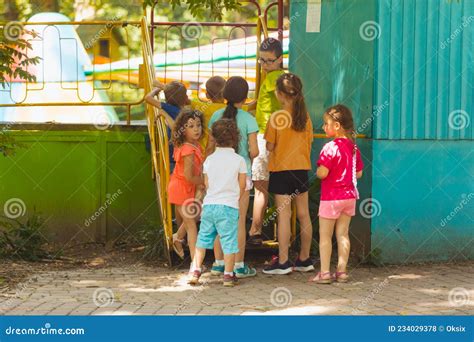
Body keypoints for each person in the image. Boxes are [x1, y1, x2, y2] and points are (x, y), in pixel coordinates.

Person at [206, 76, 259, 278]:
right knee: (238, 221)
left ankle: (219, 263)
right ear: (245, 98)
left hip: (218, 173)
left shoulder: (216, 116)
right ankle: (238, 265)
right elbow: (254, 151)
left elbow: (210, 147)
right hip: (241, 174)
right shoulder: (249, 119)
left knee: (219, 218)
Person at [262, 73, 314, 275]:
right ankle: (304, 259)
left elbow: (270, 145)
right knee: (303, 214)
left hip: (281, 170)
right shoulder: (305, 117)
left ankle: (283, 262)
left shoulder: (277, 117)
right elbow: (308, 143)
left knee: (284, 215)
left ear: (280, 94)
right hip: (301, 169)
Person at [189, 119, 247, 287]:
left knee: (202, 240)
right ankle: (228, 275)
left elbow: (207, 184)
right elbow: (242, 185)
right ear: (236, 138)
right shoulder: (239, 160)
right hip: (228, 206)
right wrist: (235, 195)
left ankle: (195, 271)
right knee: (229, 240)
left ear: (213, 137)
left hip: (209, 206)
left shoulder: (209, 160)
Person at [311, 104, 364, 284]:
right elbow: (358, 174)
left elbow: (323, 173)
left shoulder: (329, 147)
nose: (324, 127)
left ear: (337, 126)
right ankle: (342, 272)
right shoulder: (353, 147)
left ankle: (324, 273)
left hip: (331, 197)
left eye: (326, 123)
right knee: (343, 234)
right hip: (349, 197)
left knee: (325, 235)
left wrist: (318, 171)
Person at [248, 38, 286, 246]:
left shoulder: (277, 78)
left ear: (280, 59)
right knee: (274, 189)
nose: (264, 65)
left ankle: (255, 230)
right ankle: (279, 232)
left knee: (261, 189)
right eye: (261, 61)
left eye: (269, 61)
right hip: (270, 136)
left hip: (266, 136)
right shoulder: (273, 77)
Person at [167, 109, 205, 264]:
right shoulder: (188, 149)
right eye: (190, 126)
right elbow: (189, 176)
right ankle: (196, 263)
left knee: (194, 218)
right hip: (182, 187)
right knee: (191, 225)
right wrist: (203, 182)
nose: (196, 129)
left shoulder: (193, 145)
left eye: (198, 125)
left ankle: (177, 238)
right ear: (183, 130)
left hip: (188, 186)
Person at [191, 76, 227, 151]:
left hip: (203, 149)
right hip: (224, 150)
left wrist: (163, 87)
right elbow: (251, 106)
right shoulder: (231, 109)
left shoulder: (202, 107)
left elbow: (185, 100)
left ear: (207, 95)